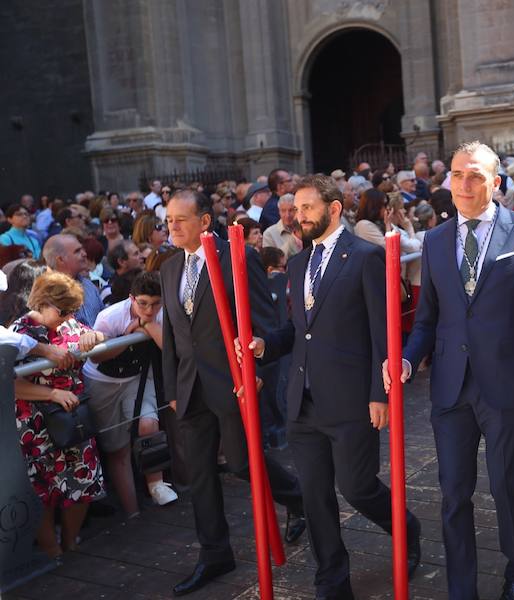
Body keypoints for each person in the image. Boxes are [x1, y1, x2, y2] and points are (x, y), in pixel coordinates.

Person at [385, 141, 514, 600]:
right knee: (453, 495)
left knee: (509, 488)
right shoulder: (436, 240)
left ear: (495, 182)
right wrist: (406, 357)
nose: (465, 184)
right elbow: (426, 318)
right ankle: (461, 588)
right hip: (449, 389)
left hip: (508, 386)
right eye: (458, 174)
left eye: (476, 175)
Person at [238, 174, 421, 599]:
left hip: (352, 397)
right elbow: (297, 330)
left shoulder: (365, 257)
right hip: (302, 401)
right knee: (317, 497)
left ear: (333, 209)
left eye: (306, 208)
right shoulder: (298, 262)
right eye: (295, 209)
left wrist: (382, 392)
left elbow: (384, 332)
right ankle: (332, 581)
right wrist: (265, 345)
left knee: (357, 488)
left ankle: (405, 527)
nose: (298, 216)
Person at [159, 190, 305, 596]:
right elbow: (172, 335)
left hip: (233, 381)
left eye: (180, 219)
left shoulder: (237, 257)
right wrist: (172, 387)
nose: (172, 226)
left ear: (205, 221)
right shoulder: (170, 269)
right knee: (201, 475)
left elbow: (265, 322)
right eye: (168, 219)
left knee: (242, 463)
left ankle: (298, 498)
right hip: (189, 388)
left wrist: (256, 369)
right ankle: (214, 554)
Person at [12, 271, 108, 559]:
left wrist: (95, 335)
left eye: (71, 311)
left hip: (73, 417)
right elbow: (11, 383)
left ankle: (71, 542)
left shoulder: (70, 325)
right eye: (62, 310)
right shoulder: (19, 332)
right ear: (42, 302)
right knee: (40, 489)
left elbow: (101, 338)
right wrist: (52, 394)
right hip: (35, 422)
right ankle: (52, 549)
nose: (67, 317)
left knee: (83, 480)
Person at [84, 271, 178, 516]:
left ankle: (156, 485)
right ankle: (132, 511)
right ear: (131, 299)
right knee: (118, 449)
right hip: (102, 381)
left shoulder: (163, 314)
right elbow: (97, 356)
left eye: (156, 303)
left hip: (136, 376)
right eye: (143, 303)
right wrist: (128, 337)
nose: (149, 309)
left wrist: (148, 325)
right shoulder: (110, 316)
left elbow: (171, 349)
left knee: (149, 424)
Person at [42, 234, 104, 326]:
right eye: (77, 251)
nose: (84, 254)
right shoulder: (46, 295)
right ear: (60, 259)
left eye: (82, 249)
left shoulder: (89, 285)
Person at [261, 194, 303, 259]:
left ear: (297, 211)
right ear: (279, 212)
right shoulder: (269, 234)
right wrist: (294, 237)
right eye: (283, 211)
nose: (287, 215)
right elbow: (272, 262)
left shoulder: (305, 228)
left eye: (291, 210)